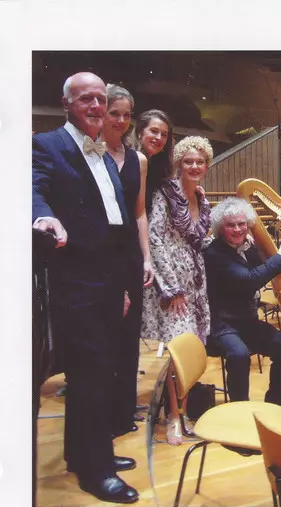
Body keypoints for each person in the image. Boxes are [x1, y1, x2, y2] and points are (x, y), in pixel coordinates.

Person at [32, 72, 138, 503]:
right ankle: (96, 471)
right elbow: (32, 188)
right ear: (66, 104)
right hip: (76, 281)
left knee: (96, 374)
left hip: (110, 281)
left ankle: (83, 453)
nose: (96, 106)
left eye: (100, 98)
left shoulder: (106, 154)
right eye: (85, 99)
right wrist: (42, 216)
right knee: (90, 375)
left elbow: (117, 222)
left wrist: (124, 287)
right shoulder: (48, 145)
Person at [204, 197, 281, 424]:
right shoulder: (214, 253)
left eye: (241, 224)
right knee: (239, 355)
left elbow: (264, 272)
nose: (237, 229)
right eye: (231, 225)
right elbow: (249, 281)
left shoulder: (247, 248)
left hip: (246, 322)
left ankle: (276, 407)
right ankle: (239, 414)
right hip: (222, 324)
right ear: (221, 228)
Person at [141, 136, 214, 445]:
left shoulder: (202, 199)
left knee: (190, 348)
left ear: (207, 165)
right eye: (188, 161)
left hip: (196, 284)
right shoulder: (165, 194)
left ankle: (181, 410)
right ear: (179, 164)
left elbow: (198, 240)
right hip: (173, 286)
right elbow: (155, 239)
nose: (194, 166)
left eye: (200, 162)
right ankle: (173, 415)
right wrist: (172, 288)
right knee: (176, 352)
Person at [100, 84, 154, 438]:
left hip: (131, 258)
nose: (120, 121)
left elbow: (139, 213)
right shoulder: (91, 154)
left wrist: (147, 257)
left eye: (126, 115)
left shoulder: (139, 160)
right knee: (105, 336)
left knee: (129, 337)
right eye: (114, 113)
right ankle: (102, 418)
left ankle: (122, 414)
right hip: (103, 257)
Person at [132, 109, 174, 217]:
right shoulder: (128, 159)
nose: (159, 138)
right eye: (154, 131)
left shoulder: (160, 167)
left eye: (164, 135)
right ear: (140, 132)